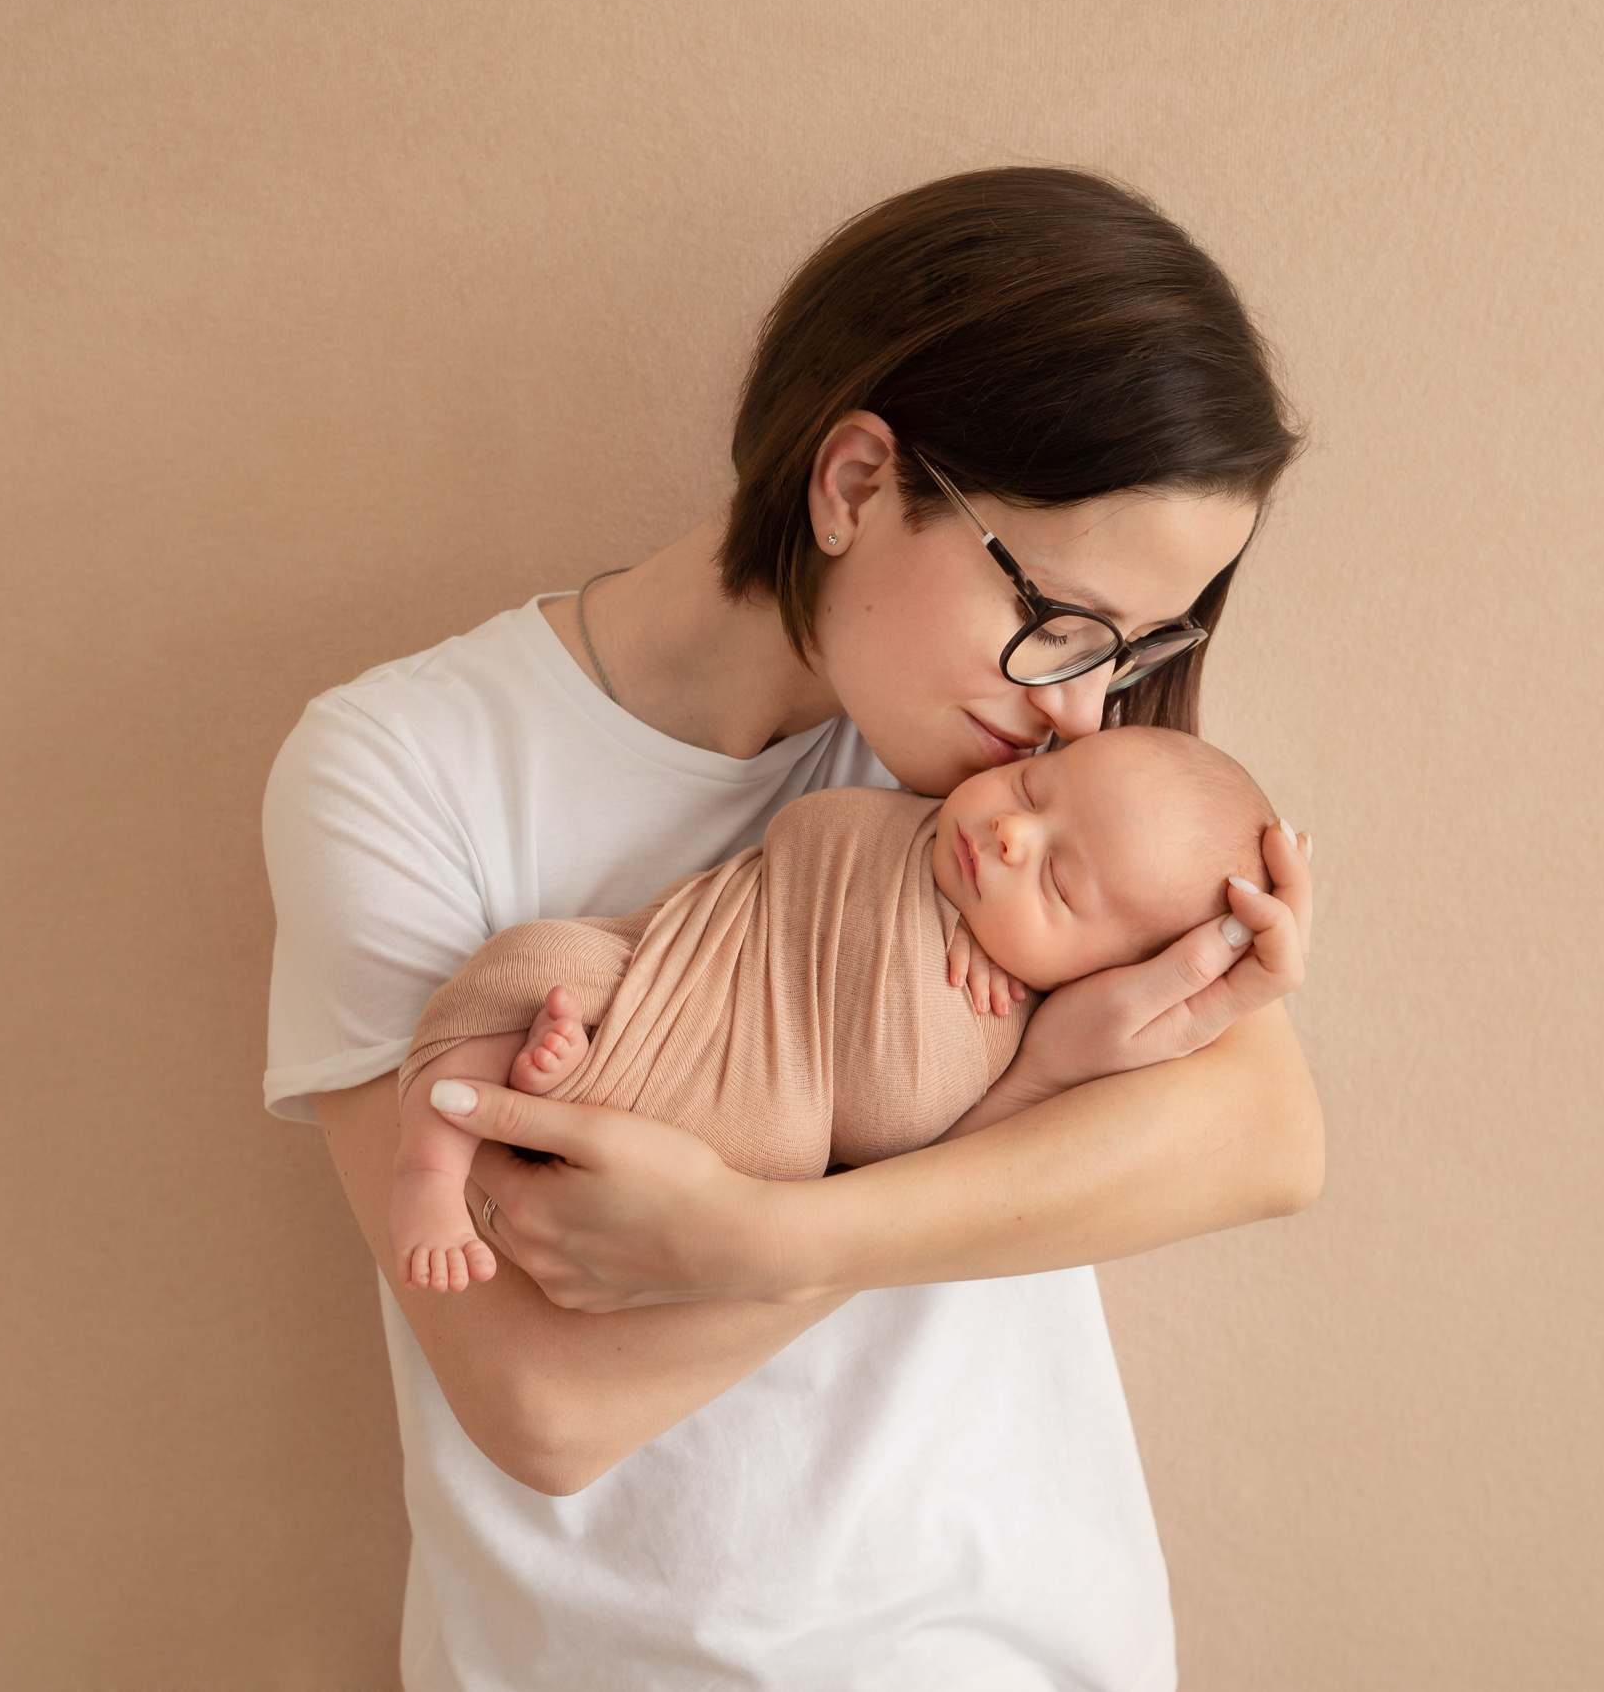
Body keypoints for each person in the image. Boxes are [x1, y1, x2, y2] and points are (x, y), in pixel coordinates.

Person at [262, 165, 1323, 1692]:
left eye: (1141, 647)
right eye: (1063, 619)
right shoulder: (403, 768)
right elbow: (545, 1404)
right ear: (855, 482)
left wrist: (767, 1233)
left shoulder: (1024, 786)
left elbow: (1266, 1139)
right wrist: (1028, 1107)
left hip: (1027, 1648)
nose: (1087, 709)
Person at [382, 724, 1292, 1295]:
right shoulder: (912, 809)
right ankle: (433, 1163)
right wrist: (934, 897)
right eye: (1033, 787)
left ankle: (575, 1081)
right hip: (665, 978)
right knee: (540, 963)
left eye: (1057, 881)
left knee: (778, 1139)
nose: (1012, 833)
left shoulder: (1022, 1034)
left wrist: (1044, 1065)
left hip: (749, 1139)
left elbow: (1284, 1152)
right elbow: (809, 845)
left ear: (1103, 972)